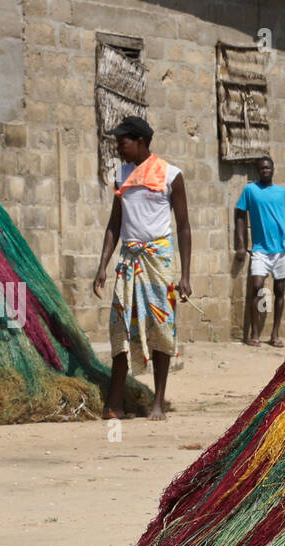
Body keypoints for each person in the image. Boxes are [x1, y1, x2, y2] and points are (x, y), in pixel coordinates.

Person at [92, 115, 191, 421]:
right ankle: (114, 403)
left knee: (161, 327)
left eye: (122, 142)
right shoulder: (121, 176)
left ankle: (158, 402)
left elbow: (184, 227)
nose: (119, 148)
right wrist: (102, 266)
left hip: (158, 261)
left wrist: (185, 275)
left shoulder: (171, 175)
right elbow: (115, 223)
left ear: (140, 142)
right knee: (120, 326)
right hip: (128, 259)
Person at [234, 156, 285, 348]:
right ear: (258, 170)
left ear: (273, 169)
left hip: (281, 250)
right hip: (260, 249)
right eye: (262, 168)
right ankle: (255, 334)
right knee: (256, 286)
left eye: (268, 167)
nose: (265, 170)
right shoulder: (250, 191)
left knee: (280, 290)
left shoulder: (283, 192)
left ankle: (275, 334)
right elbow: (239, 215)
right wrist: (240, 245)